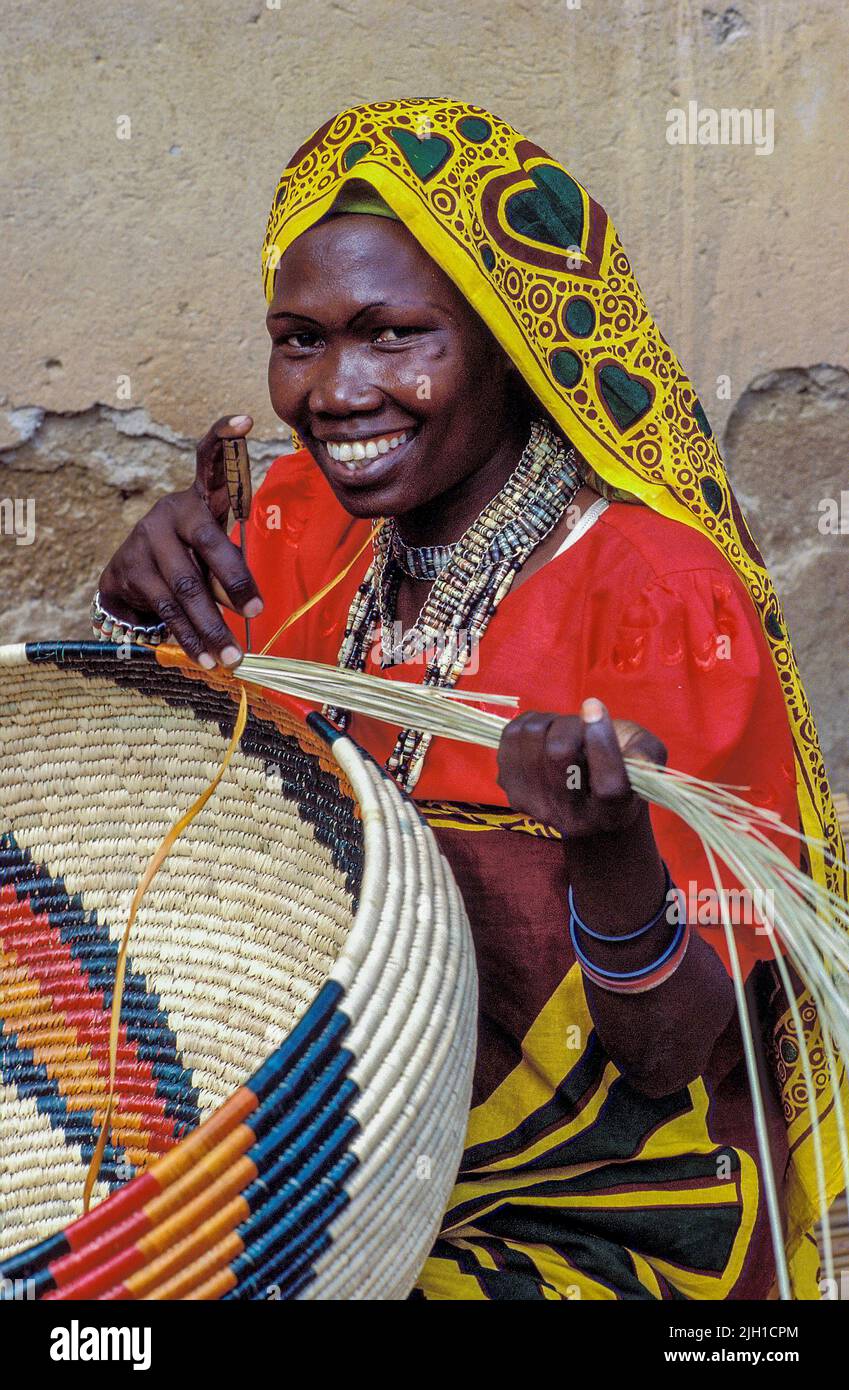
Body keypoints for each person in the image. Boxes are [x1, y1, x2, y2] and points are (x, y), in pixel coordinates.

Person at [95, 99, 846, 1300]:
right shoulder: (288, 531)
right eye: (301, 338)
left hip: (609, 1217)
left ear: (509, 343)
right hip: (319, 1165)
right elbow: (169, 882)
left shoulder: (655, 598)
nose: (337, 392)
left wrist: (609, 857)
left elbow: (671, 1058)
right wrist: (139, 618)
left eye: (396, 336)